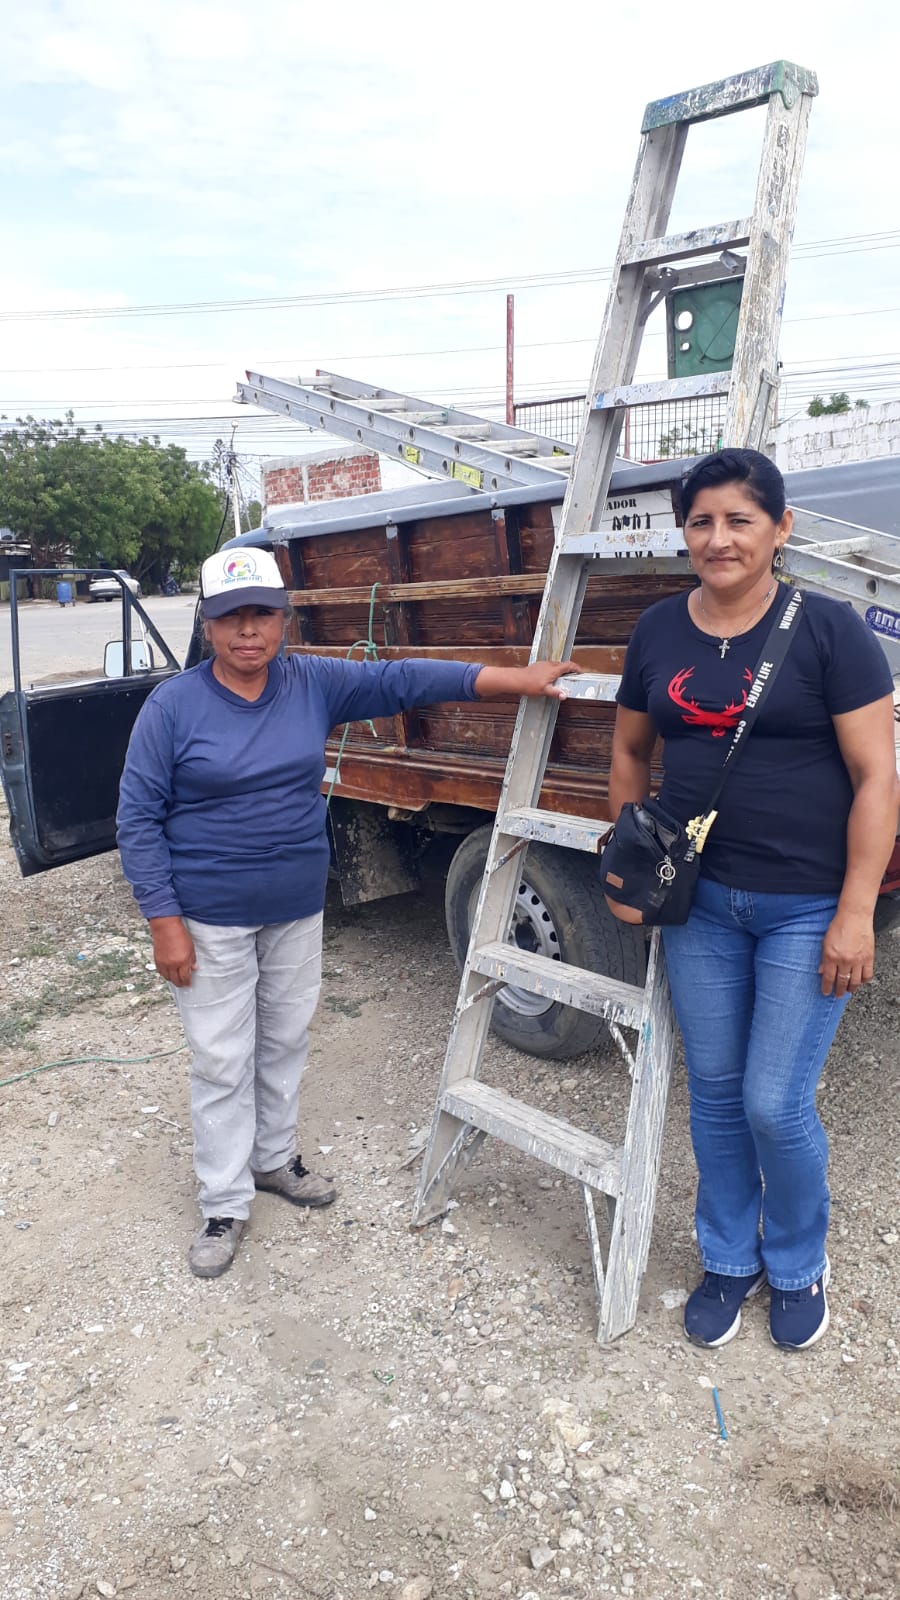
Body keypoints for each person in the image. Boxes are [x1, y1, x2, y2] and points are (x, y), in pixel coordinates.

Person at [116, 546, 579, 1280]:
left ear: (284, 620)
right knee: (222, 1058)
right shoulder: (173, 708)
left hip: (295, 905)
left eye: (262, 614)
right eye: (230, 618)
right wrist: (162, 919)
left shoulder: (310, 682)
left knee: (284, 1039)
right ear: (207, 626)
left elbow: (402, 679)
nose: (247, 631)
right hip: (208, 913)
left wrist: (513, 679)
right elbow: (137, 819)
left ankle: (273, 1159)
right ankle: (224, 1201)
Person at [608, 448, 898, 1352]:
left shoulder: (830, 629)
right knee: (717, 1096)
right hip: (699, 905)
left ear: (781, 528)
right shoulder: (658, 630)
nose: (719, 538)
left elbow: (877, 776)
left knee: (775, 1101)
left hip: (806, 907)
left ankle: (799, 1260)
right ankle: (729, 1258)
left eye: (740, 519)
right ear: (683, 532)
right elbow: (629, 752)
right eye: (701, 521)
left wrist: (856, 911)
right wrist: (630, 858)